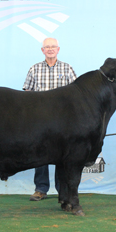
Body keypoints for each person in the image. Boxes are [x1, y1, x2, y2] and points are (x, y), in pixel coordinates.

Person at [22, 37, 78, 201]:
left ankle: (63, 190)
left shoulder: (67, 68)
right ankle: (41, 189)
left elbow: (76, 93)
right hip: (40, 118)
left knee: (63, 154)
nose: (50, 49)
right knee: (40, 153)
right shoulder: (35, 69)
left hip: (63, 120)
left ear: (58, 49)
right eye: (47, 47)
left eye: (53, 46)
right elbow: (27, 93)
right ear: (43, 50)